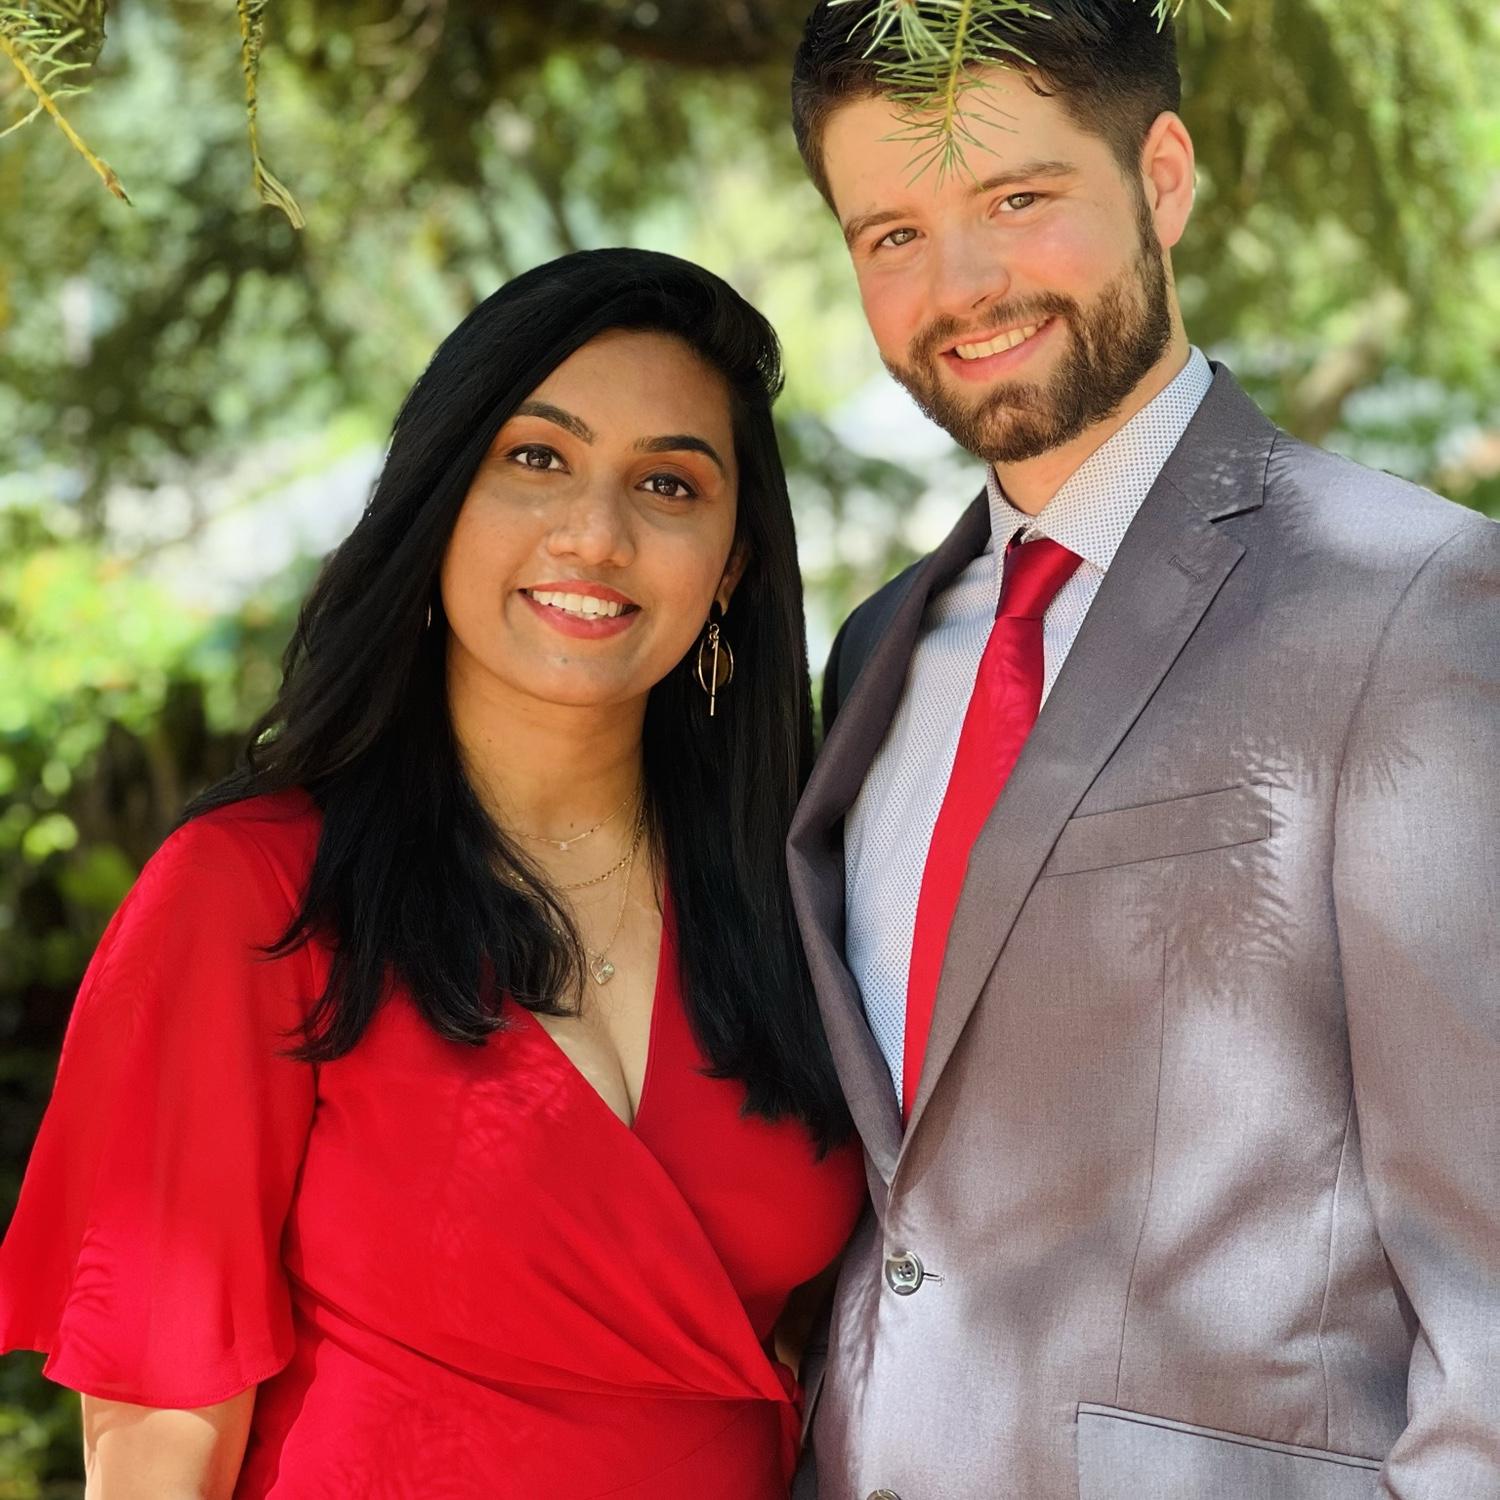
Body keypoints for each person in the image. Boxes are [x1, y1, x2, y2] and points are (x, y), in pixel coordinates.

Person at [0, 248, 866, 1499]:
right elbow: (155, 1452)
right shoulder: (252, 894)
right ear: (442, 494)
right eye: (537, 458)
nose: (597, 533)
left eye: (669, 483)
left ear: (729, 565)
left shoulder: (790, 897)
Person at [784, 5, 1500, 1498]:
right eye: (893, 234)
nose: (960, 286)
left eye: (1017, 198)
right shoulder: (876, 651)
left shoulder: (1414, 605)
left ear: (1161, 178)